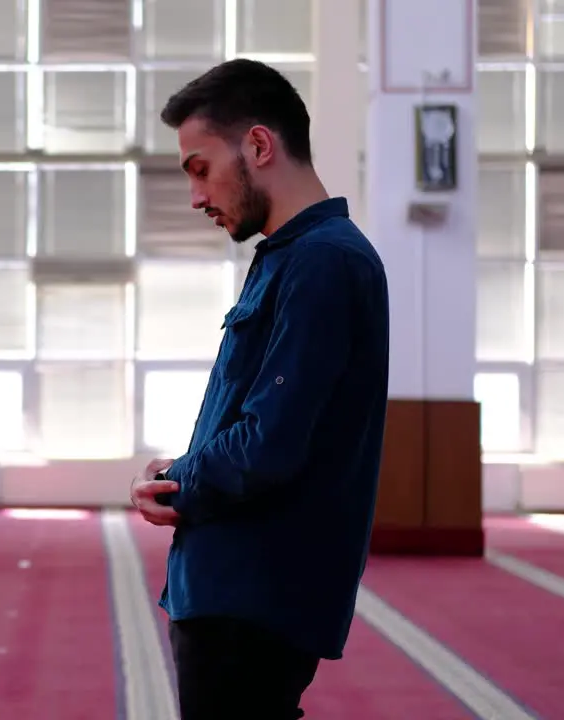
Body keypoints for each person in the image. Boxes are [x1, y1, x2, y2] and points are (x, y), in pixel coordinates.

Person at [129, 59, 390, 719]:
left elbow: (269, 442)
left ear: (258, 145)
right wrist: (178, 473)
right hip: (240, 592)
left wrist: (179, 482)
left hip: (251, 599)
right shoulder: (291, 257)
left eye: (199, 167)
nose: (196, 196)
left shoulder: (322, 262)